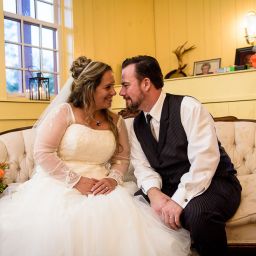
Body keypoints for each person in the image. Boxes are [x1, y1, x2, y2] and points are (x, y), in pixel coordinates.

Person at [0, 56, 191, 256]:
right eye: (108, 87)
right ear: (90, 88)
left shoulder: (115, 121)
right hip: (59, 185)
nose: (114, 92)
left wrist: (112, 179)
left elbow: (122, 159)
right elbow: (43, 152)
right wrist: (76, 181)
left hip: (102, 186)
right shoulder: (65, 113)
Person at [119, 55, 242, 256]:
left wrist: (178, 201)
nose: (121, 92)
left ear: (146, 83)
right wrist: (154, 194)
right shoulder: (136, 125)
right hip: (170, 184)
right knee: (133, 208)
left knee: (198, 214)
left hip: (215, 180)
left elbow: (204, 164)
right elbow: (143, 167)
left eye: (125, 85)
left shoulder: (188, 107)